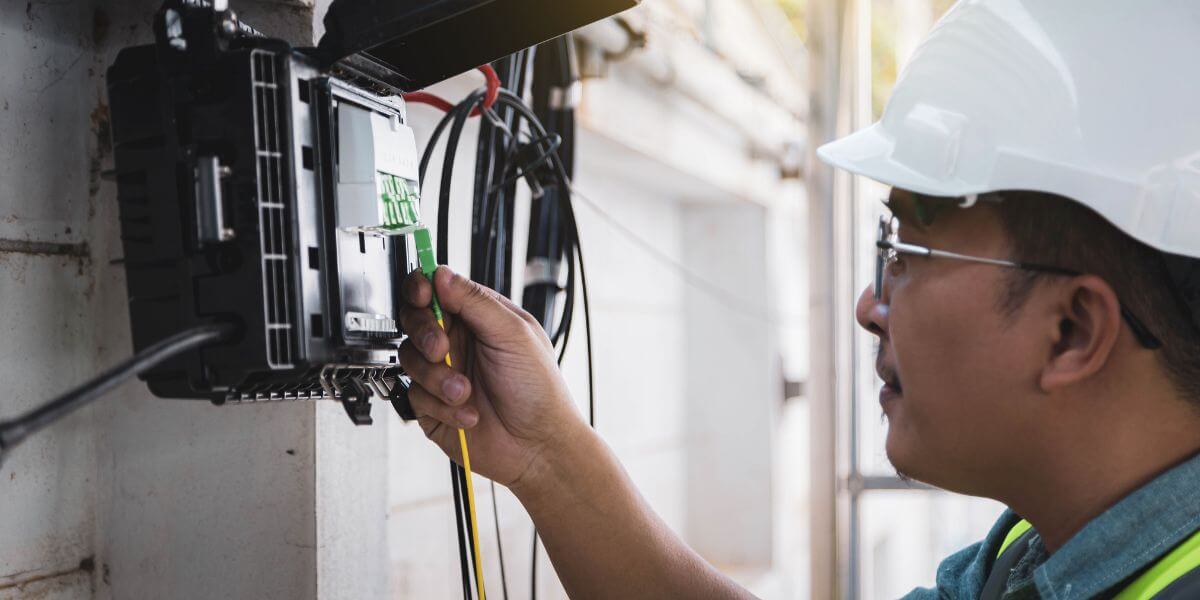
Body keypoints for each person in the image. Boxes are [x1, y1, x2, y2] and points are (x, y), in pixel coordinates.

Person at [397, 0, 1200, 598]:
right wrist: (547, 455)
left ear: (1071, 330)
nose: (867, 306)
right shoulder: (1037, 554)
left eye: (904, 252)